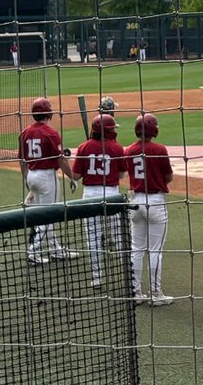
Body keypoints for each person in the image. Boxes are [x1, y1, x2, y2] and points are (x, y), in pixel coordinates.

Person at [19, 96, 78, 264]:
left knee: (46, 213)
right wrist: (72, 177)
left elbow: (22, 161)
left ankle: (55, 250)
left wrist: (28, 179)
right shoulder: (51, 133)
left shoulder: (25, 133)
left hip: (32, 175)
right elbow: (61, 160)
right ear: (48, 113)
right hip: (47, 178)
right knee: (48, 215)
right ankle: (33, 251)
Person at [72, 112, 126, 288]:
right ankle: (127, 273)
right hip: (111, 194)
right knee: (118, 236)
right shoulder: (117, 148)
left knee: (93, 238)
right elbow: (121, 175)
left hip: (89, 195)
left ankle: (96, 278)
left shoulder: (83, 147)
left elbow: (75, 176)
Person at [125, 111, 174, 305]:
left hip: (135, 202)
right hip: (155, 202)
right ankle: (155, 294)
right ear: (154, 130)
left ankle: (136, 292)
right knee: (155, 250)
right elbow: (168, 177)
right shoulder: (159, 149)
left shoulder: (128, 150)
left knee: (136, 249)